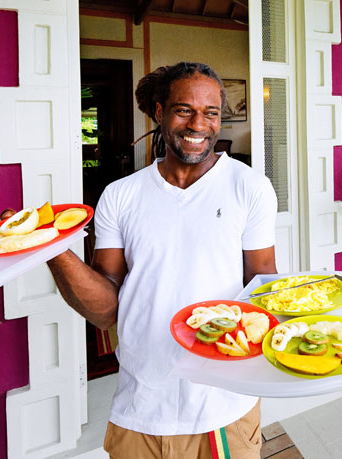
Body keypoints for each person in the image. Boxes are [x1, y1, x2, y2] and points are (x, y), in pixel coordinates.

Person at [37, 61, 278, 459]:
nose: (198, 124)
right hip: (141, 403)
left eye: (211, 112)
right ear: (159, 112)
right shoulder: (121, 195)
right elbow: (104, 312)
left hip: (223, 404)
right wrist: (51, 248)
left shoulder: (249, 187)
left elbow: (263, 287)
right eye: (184, 110)